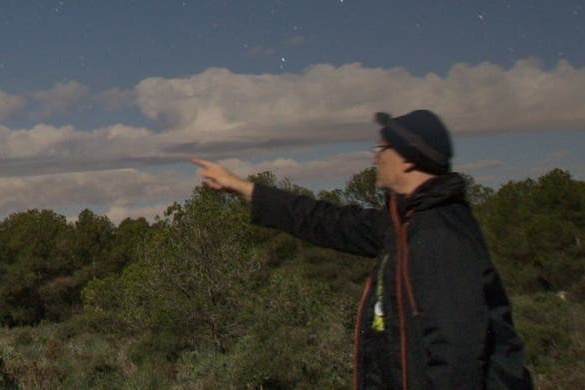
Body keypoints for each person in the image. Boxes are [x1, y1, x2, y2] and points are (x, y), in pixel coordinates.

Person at [192, 109, 533, 389]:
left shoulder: (440, 235)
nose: (374, 160)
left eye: (381, 149)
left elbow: (457, 356)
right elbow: (327, 222)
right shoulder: (404, 224)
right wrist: (241, 187)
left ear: (408, 160)